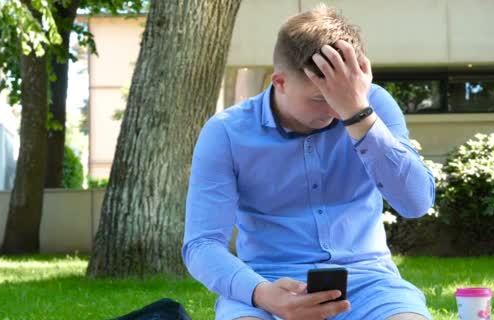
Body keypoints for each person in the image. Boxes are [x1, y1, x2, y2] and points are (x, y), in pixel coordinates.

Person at [181, 4, 435, 320]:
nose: (333, 111)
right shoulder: (226, 132)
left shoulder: (372, 105)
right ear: (280, 82)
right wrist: (262, 294)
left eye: (341, 97)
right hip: (267, 285)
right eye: (320, 99)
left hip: (370, 284)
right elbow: (202, 245)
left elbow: (416, 203)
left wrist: (358, 113)